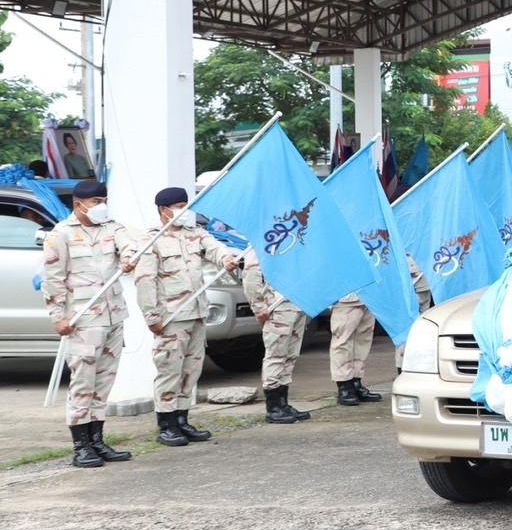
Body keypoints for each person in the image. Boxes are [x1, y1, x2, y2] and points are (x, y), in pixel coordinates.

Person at [41, 179, 138, 467]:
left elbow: (130, 245)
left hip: (113, 316)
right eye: (96, 202)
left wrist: (129, 258)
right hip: (84, 320)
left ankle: (97, 441)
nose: (102, 206)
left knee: (104, 382)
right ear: (79, 204)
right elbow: (53, 279)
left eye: (104, 200)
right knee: (83, 382)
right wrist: (58, 317)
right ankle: (81, 446)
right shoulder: (61, 234)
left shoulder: (112, 227)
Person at [134, 187, 240, 446]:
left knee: (191, 370)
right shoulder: (152, 240)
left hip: (197, 312)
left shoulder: (195, 233)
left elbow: (214, 248)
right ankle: (166, 424)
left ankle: (182, 419)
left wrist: (226, 258)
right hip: (171, 316)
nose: (184, 211)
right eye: (179, 206)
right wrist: (151, 316)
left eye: (186, 205)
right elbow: (145, 281)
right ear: (164, 210)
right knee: (169, 370)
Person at [241, 245, 312, 424]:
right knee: (276, 355)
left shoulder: (296, 240)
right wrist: (258, 307)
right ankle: (273, 406)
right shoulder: (264, 239)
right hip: (277, 306)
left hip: (297, 302)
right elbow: (251, 275)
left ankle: (283, 403)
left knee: (290, 356)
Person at [329, 293, 381, 406]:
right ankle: (344, 386)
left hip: (368, 296)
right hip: (345, 297)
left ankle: (356, 383)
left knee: (363, 341)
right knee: (342, 341)